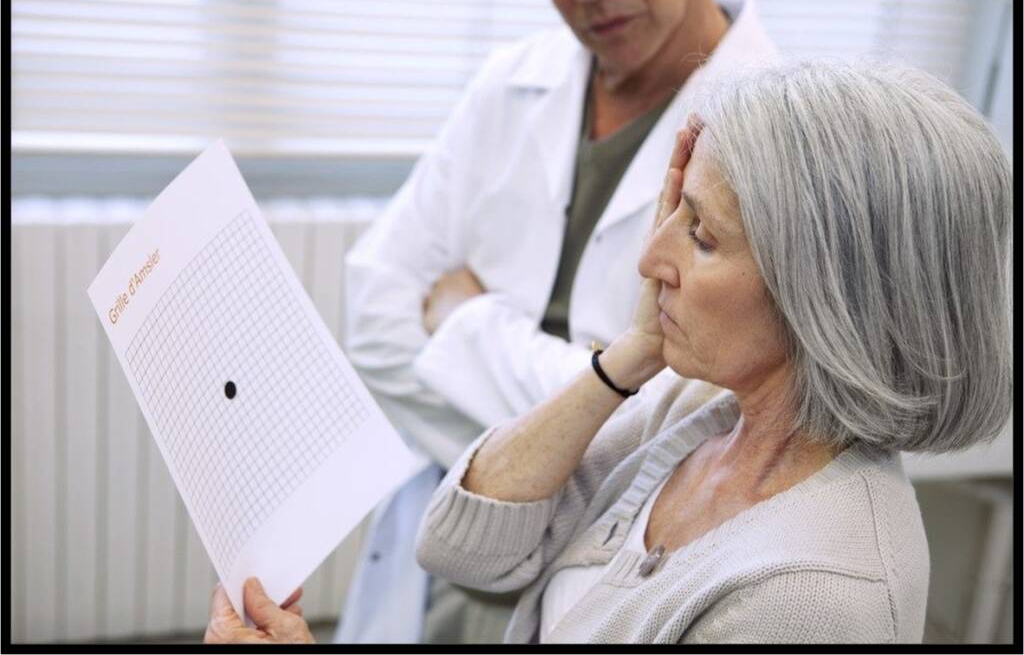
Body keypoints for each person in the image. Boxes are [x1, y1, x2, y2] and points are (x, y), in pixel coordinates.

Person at [204, 58, 1011, 644]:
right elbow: (461, 546)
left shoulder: (813, 599)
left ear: (825, 295)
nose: (650, 258)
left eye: (698, 233)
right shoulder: (699, 408)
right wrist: (629, 353)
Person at [335, 0, 776, 643]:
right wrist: (596, 402)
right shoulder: (509, 82)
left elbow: (705, 427)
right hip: (444, 569)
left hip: (606, 596)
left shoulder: (785, 138)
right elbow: (373, 319)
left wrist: (466, 323)